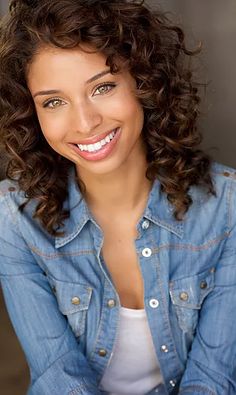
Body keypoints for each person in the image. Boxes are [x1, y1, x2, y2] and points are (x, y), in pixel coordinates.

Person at [0, 0, 236, 394]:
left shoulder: (227, 207)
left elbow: (214, 379)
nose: (85, 123)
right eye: (54, 102)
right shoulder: (14, 218)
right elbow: (58, 377)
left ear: (144, 82)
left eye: (103, 87)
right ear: (32, 111)